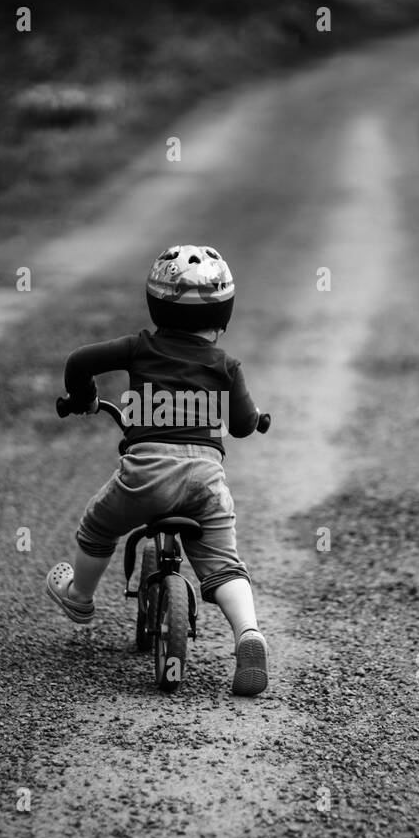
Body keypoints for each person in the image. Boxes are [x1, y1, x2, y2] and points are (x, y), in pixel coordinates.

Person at [45, 244, 270, 695]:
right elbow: (244, 426)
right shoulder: (226, 365)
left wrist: (84, 398)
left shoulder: (138, 347)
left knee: (97, 527)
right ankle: (248, 633)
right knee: (224, 566)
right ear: (225, 311)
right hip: (206, 484)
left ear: (155, 302)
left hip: (145, 475)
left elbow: (79, 362)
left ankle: (81, 599)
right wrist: (256, 416)